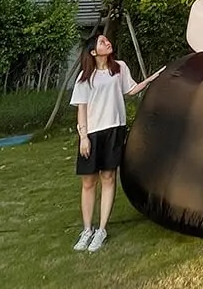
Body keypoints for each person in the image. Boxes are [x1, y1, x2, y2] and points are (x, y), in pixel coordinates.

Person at [70, 33, 162, 252]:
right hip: (92, 133)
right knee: (88, 183)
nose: (107, 42)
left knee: (109, 178)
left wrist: (150, 80)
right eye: (102, 42)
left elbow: (130, 90)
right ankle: (87, 230)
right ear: (93, 52)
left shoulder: (119, 67)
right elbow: (81, 108)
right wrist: (83, 137)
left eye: (106, 40)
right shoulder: (85, 76)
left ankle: (101, 230)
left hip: (114, 130)